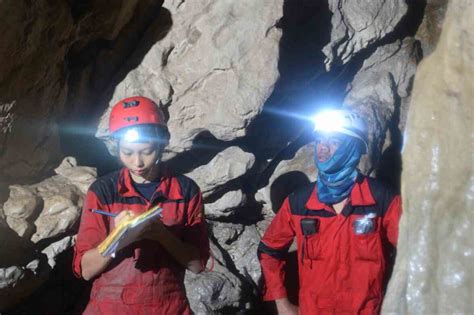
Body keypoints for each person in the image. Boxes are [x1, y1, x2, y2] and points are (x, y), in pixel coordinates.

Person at [73, 96, 209, 314]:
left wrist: (163, 235)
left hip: (167, 307)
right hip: (110, 307)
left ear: (162, 143)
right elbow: (86, 270)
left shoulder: (185, 191)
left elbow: (197, 265)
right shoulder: (103, 191)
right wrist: (117, 238)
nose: (137, 162)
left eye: (147, 152)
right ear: (116, 147)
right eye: (127, 152)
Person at [258, 109, 402, 314]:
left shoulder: (382, 199)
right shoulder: (299, 202)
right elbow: (269, 251)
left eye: (334, 141)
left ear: (353, 148)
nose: (323, 148)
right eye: (319, 140)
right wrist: (282, 303)